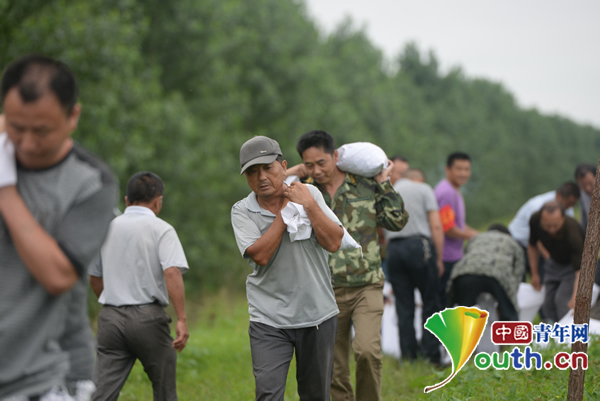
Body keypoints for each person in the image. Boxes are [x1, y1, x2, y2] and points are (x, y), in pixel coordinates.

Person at [0, 54, 117, 400]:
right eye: (16, 128)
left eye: (42, 131)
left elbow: (58, 275)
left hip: (42, 378)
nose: (27, 143)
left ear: (73, 116)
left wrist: (5, 190)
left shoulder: (90, 183)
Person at [290, 131, 408, 401]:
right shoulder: (304, 189)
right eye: (309, 165)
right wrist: (295, 173)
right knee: (333, 366)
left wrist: (385, 183)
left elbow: (397, 221)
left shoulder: (365, 184)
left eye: (322, 163)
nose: (317, 171)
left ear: (335, 156)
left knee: (367, 351)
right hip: (324, 289)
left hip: (367, 284)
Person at [231, 136, 344, 401]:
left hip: (317, 313)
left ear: (283, 166)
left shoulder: (310, 194)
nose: (261, 177)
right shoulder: (242, 211)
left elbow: (334, 242)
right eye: (252, 172)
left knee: (316, 395)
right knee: (268, 392)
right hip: (268, 318)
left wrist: (309, 206)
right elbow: (260, 256)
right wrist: (285, 212)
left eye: (268, 168)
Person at [89, 172, 189, 400]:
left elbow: (94, 278)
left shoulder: (106, 228)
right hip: (148, 319)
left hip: (110, 320)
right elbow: (171, 271)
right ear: (158, 201)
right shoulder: (162, 229)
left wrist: (114, 300)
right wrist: (181, 319)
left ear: (126, 201)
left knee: (101, 392)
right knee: (164, 389)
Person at [384, 168, 444, 364]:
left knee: (404, 306)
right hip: (419, 247)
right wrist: (439, 258)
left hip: (393, 250)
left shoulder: (388, 192)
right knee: (430, 302)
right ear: (419, 178)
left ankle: (409, 357)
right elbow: (435, 225)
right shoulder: (423, 188)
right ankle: (430, 354)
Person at [447, 224, 525, 321]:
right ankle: (509, 334)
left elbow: (467, 255)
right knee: (508, 313)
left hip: (466, 273)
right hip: (497, 273)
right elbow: (518, 271)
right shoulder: (512, 242)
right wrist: (510, 297)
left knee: (464, 314)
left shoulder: (476, 238)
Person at [508, 181, 580, 281]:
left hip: (543, 245)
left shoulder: (567, 210)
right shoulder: (537, 207)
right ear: (559, 195)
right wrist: (551, 260)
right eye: (568, 203)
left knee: (544, 280)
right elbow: (536, 239)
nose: (569, 206)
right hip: (519, 242)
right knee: (519, 280)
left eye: (572, 204)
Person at [434, 152, 478, 307]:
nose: (463, 173)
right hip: (446, 257)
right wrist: (471, 237)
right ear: (448, 170)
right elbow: (449, 228)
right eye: (459, 169)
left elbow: (458, 224)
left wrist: (477, 235)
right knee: (444, 303)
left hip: (453, 255)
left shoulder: (454, 190)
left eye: (467, 169)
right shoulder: (447, 192)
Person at [528, 201, 584, 322]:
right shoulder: (535, 220)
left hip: (572, 267)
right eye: (547, 226)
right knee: (548, 303)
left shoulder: (572, 231)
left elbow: (580, 270)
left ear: (563, 219)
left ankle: (569, 334)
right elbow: (532, 245)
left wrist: (576, 297)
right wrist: (534, 274)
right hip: (554, 262)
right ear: (541, 220)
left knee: (562, 300)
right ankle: (554, 333)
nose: (552, 229)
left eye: (556, 225)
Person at [574, 163, 596, 232]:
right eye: (583, 185)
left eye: (590, 183)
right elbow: (584, 222)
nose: (588, 188)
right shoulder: (583, 195)